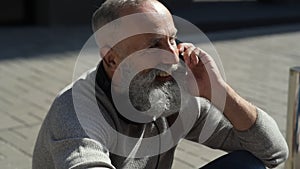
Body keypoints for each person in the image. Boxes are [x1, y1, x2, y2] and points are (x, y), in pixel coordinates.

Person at [32, 0, 288, 169]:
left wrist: (218, 91)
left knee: (247, 165)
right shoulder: (77, 114)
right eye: (154, 45)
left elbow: (273, 152)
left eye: (173, 39)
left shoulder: (168, 93)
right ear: (112, 59)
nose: (173, 56)